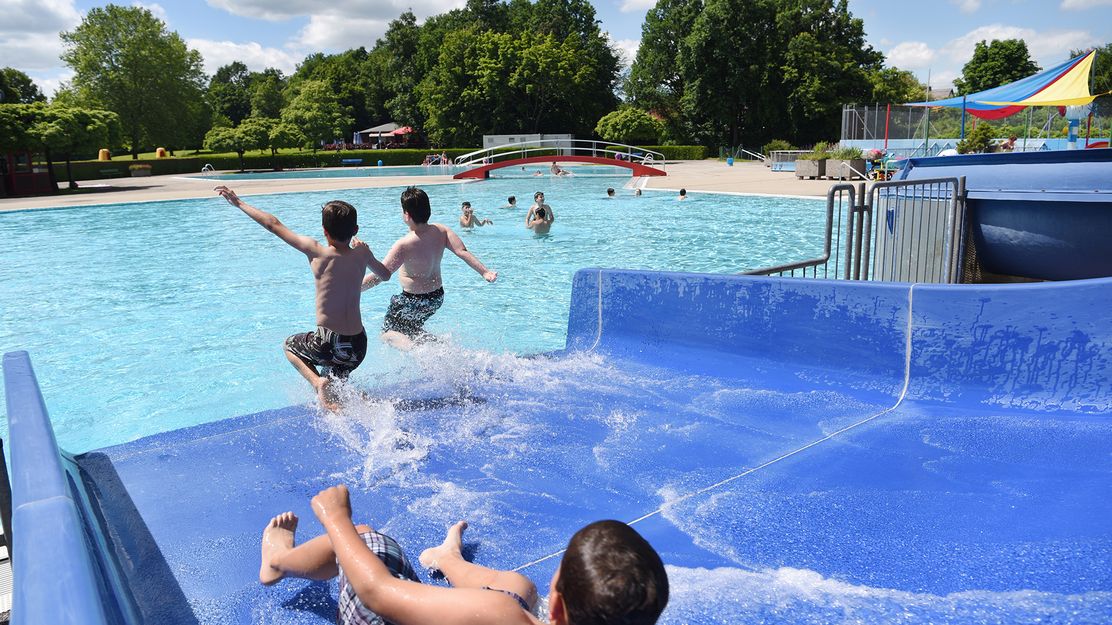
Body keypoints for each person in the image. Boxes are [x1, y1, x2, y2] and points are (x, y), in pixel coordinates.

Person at [259, 484, 670, 625]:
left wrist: (337, 519)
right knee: (517, 587)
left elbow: (377, 593)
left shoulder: (499, 616)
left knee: (364, 540)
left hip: (381, 607)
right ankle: (446, 558)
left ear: (558, 603)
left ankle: (277, 561)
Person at [214, 186, 391, 411]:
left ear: (324, 231)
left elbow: (273, 225)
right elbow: (384, 275)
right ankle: (348, 398)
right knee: (338, 381)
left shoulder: (317, 251)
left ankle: (318, 383)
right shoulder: (362, 253)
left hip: (328, 342)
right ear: (355, 229)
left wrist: (239, 203)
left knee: (289, 345)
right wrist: (365, 251)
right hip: (358, 346)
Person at [362, 187, 497, 350]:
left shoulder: (404, 244)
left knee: (387, 333)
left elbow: (380, 275)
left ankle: (418, 352)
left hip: (412, 300)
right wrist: (485, 272)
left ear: (406, 215)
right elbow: (462, 251)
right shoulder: (442, 231)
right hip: (436, 298)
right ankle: (442, 347)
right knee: (412, 330)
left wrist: (351, 289)